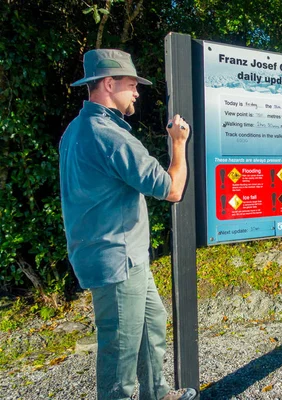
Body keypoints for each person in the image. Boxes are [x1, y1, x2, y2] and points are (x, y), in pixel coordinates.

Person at [59, 49, 197, 400]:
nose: (137, 92)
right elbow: (172, 189)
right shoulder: (110, 135)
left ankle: (158, 393)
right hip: (117, 259)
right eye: (132, 85)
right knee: (119, 358)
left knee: (152, 324)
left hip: (118, 254)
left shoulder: (75, 130)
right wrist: (178, 144)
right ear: (108, 84)